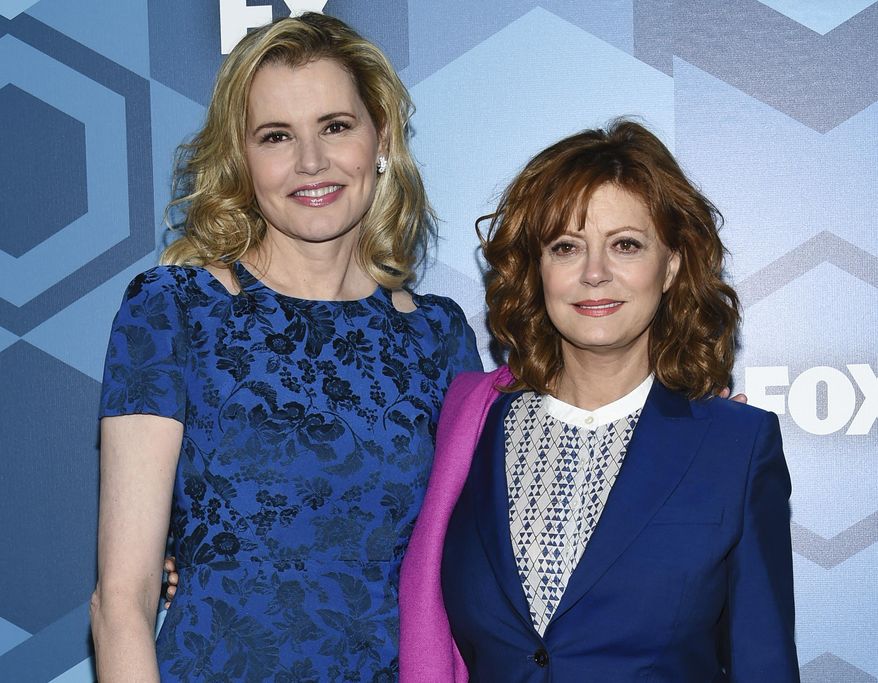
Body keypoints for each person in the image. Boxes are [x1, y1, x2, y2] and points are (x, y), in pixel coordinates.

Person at [90, 13, 481, 681]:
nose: (310, 162)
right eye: (276, 136)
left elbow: (478, 565)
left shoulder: (438, 337)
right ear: (242, 157)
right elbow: (120, 602)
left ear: (380, 136)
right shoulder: (174, 310)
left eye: (335, 125)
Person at [399, 120, 798, 681]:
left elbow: (764, 664)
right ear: (537, 270)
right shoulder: (468, 420)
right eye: (566, 247)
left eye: (625, 245)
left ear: (671, 266)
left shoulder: (737, 446)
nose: (594, 273)